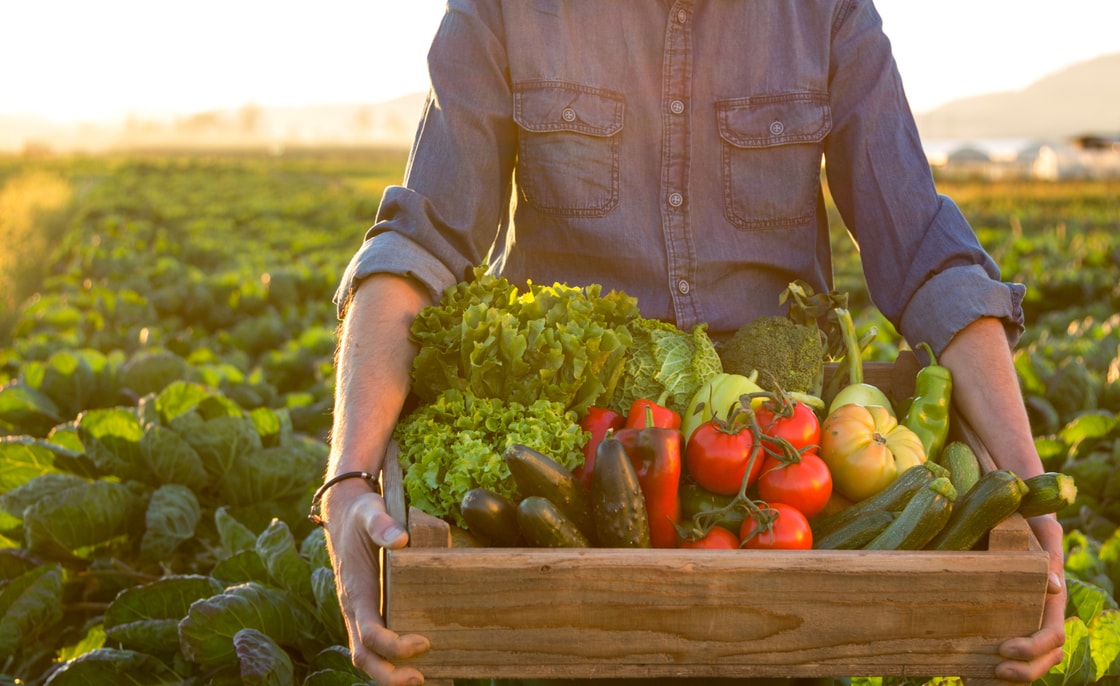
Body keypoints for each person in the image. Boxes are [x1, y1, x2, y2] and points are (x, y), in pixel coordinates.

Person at [317, 2, 1066, 685]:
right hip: (573, 470)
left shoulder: (826, 12)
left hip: (781, 475)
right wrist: (348, 480)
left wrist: (1029, 495)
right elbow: (418, 246)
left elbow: (927, 254)